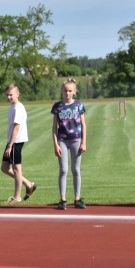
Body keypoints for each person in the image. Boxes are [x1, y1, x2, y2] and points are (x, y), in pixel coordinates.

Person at [51, 79, 87, 210]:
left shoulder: (78, 105)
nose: (67, 93)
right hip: (62, 140)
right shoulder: (58, 106)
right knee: (63, 170)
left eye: (70, 91)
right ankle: (63, 199)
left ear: (74, 92)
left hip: (76, 140)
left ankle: (77, 198)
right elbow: (54, 127)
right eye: (65, 90)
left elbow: (83, 125)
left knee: (76, 169)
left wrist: (84, 142)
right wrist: (55, 144)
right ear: (61, 91)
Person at [1, 83, 36, 203]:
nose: (8, 97)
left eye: (11, 95)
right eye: (7, 95)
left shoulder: (18, 108)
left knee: (16, 169)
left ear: (17, 94)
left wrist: (10, 145)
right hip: (12, 140)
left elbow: (16, 127)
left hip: (16, 141)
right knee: (4, 168)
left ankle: (17, 197)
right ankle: (28, 184)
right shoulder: (13, 106)